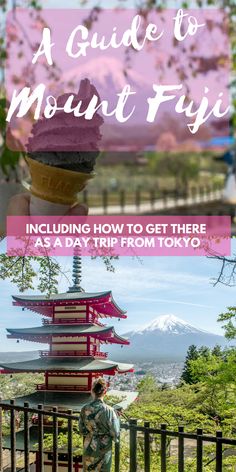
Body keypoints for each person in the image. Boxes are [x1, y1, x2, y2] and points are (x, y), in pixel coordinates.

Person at [79, 377, 120, 472]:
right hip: (104, 448)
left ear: (92, 391)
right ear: (104, 391)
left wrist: (92, 432)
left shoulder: (84, 409)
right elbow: (115, 433)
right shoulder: (109, 411)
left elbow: (82, 430)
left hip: (89, 447)